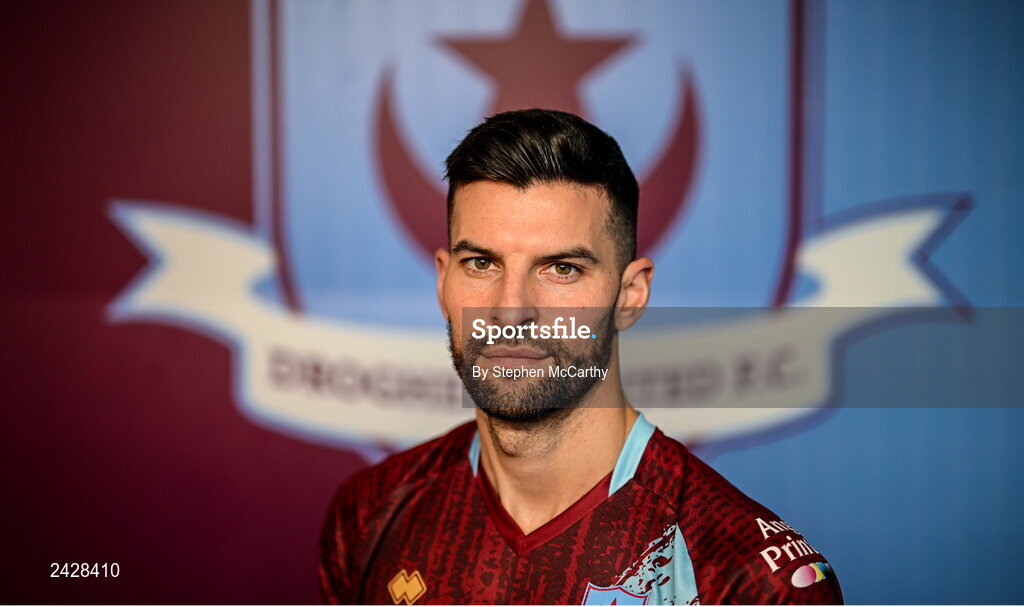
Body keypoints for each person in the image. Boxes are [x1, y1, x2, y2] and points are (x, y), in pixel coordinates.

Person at [317, 109, 842, 605]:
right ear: (443, 281)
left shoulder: (750, 580)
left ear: (630, 294)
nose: (510, 310)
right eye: (480, 263)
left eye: (562, 268)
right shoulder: (370, 514)